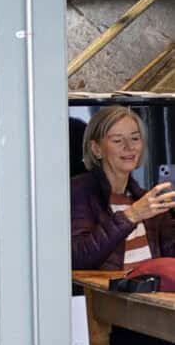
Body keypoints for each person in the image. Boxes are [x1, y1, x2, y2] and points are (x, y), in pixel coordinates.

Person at [71, 104, 175, 284]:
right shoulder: (78, 191)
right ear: (96, 149)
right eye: (118, 140)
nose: (129, 147)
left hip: (152, 297)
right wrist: (131, 215)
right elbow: (78, 259)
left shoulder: (146, 199)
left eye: (135, 138)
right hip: (107, 299)